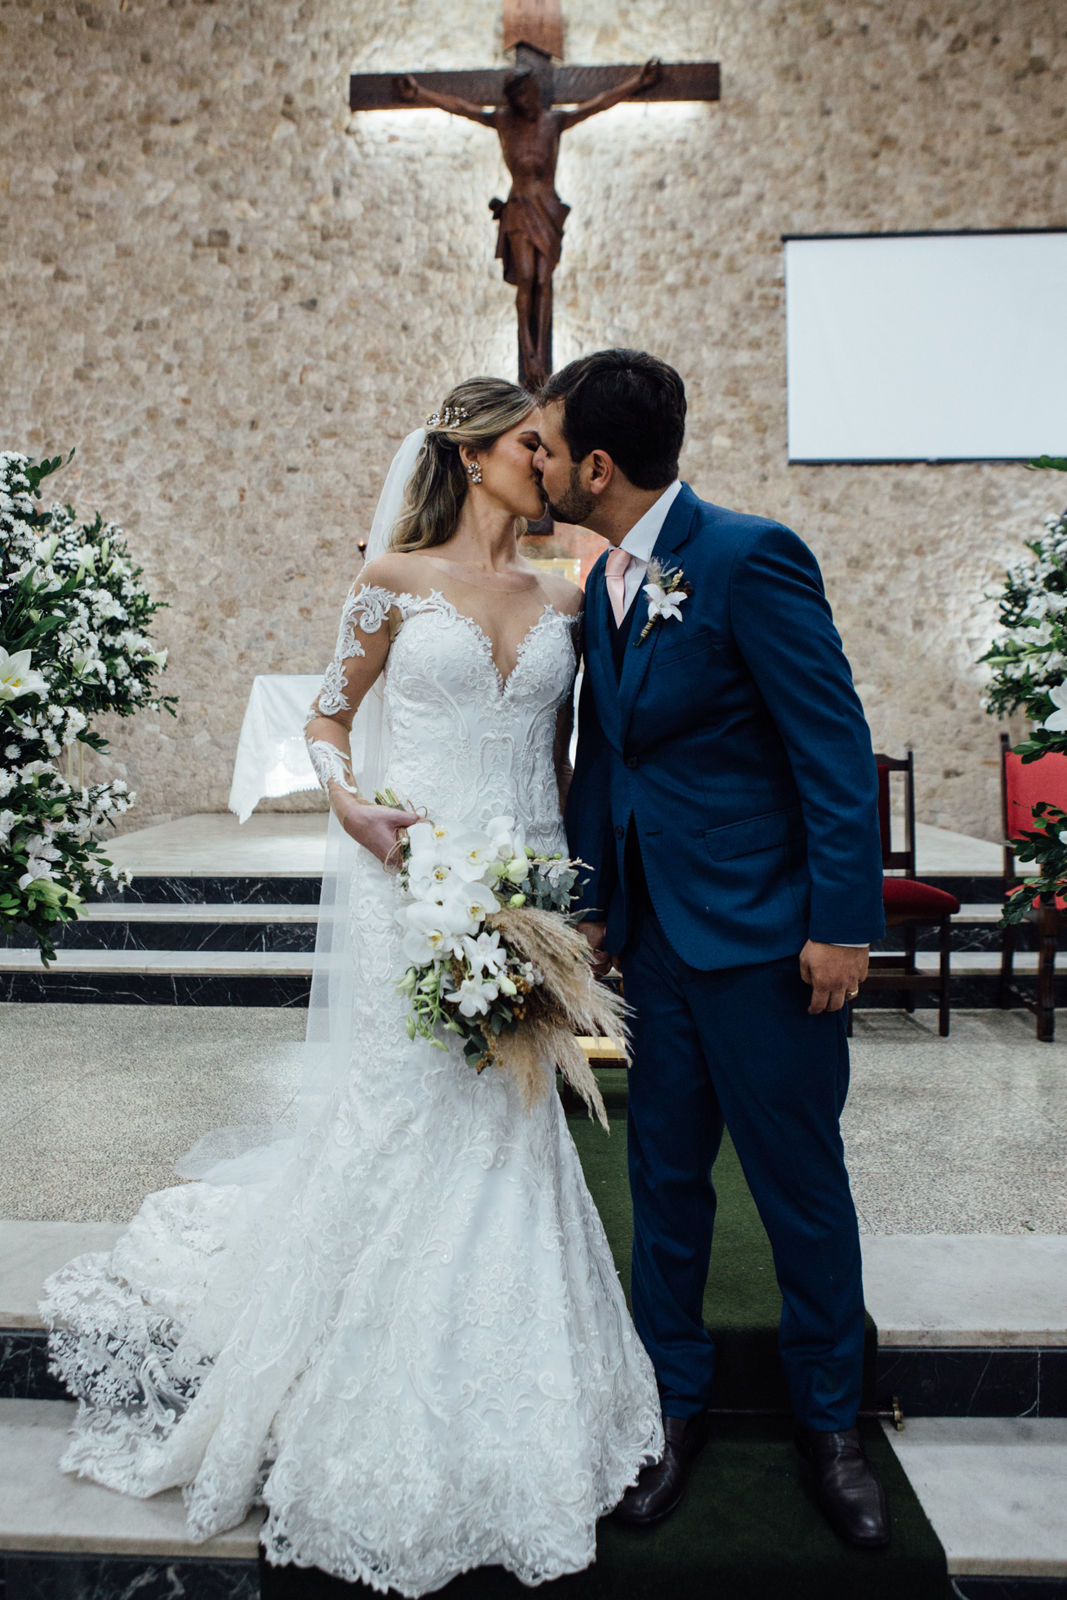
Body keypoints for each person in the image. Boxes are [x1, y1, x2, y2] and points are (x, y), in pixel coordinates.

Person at [40, 378, 662, 1596]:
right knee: (410, 1112)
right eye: (530, 443)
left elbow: (570, 752)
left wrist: (575, 895)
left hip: (522, 885)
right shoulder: (391, 579)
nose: (549, 461)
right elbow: (326, 721)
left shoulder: (564, 595)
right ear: (474, 454)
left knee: (508, 1124)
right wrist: (346, 803)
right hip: (412, 878)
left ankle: (504, 1381)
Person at [533, 349, 891, 1549]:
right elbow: (608, 759)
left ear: (597, 464)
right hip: (656, 948)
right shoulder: (603, 587)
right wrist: (589, 906)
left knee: (796, 1191)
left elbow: (831, 749)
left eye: (547, 446)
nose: (535, 466)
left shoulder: (748, 557)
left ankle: (831, 1422)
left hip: (767, 946)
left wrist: (840, 922)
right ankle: (667, 1407)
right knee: (664, 1186)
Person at [397, 62, 661, 386]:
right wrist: (420, 93)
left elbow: (600, 101)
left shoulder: (555, 121)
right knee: (525, 279)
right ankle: (530, 354)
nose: (523, 102)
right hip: (520, 207)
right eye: (517, 97)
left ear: (535, 90)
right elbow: (463, 107)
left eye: (527, 93)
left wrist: (637, 81)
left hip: (547, 208)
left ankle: (540, 354)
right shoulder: (503, 121)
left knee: (543, 279)